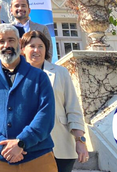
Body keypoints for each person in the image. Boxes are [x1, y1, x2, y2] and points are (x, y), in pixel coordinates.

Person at [0, 24, 57, 172]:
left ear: (19, 43)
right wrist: (4, 146)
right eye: (1, 41)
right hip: (0, 159)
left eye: (11, 40)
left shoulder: (40, 77)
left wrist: (21, 142)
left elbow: (46, 115)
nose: (7, 45)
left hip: (38, 158)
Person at [20, 31, 88, 172]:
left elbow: (72, 107)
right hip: (28, 146)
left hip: (60, 145)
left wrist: (80, 140)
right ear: (23, 50)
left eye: (41, 46)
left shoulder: (60, 73)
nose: (36, 50)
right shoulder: (16, 76)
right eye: (32, 46)